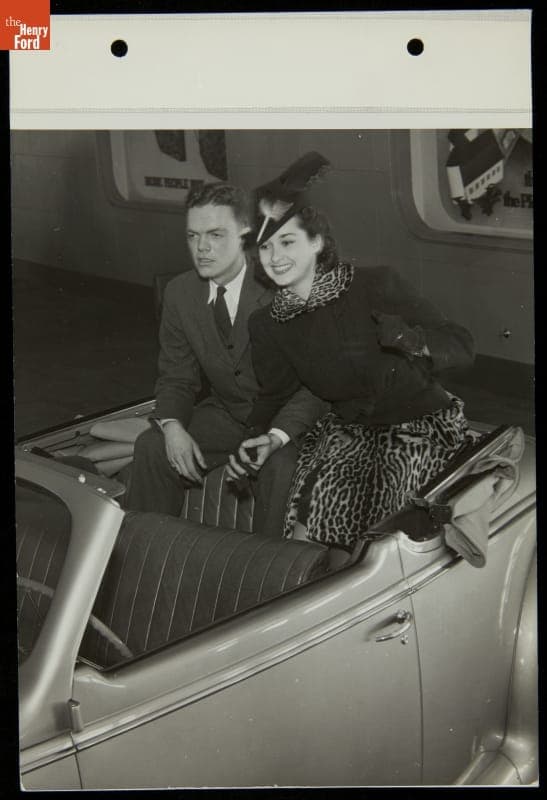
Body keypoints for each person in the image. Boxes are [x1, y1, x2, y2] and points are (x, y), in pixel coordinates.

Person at [228, 152, 475, 550]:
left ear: (318, 242)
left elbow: (461, 344)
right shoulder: (269, 324)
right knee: (304, 542)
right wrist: (256, 437)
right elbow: (275, 394)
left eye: (287, 241)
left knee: (372, 544)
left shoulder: (374, 285)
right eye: (265, 249)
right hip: (349, 435)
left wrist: (414, 341)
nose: (275, 258)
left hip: (419, 431)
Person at [124, 181, 326, 537]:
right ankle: (143, 556)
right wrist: (172, 427)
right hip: (231, 414)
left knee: (280, 467)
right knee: (152, 445)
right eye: (192, 236)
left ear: (245, 234)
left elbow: (314, 386)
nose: (202, 248)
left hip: (289, 421)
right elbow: (176, 375)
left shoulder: (284, 284)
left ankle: (264, 577)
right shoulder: (180, 293)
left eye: (215, 234)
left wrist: (277, 436)